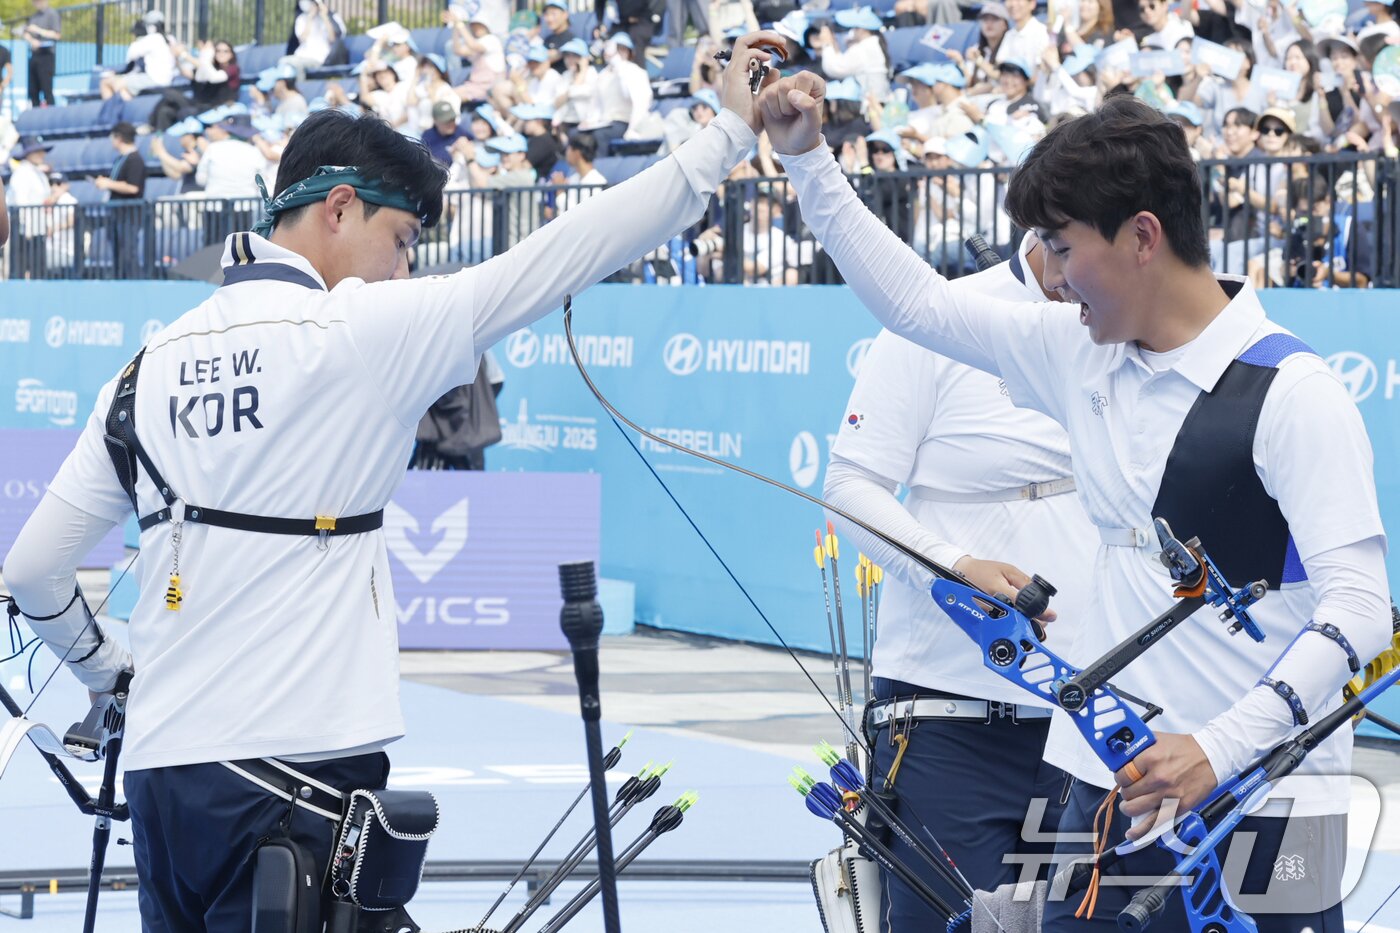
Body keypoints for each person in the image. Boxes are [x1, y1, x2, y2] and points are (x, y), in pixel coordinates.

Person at [0, 33, 782, 932]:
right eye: (402, 239)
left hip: (161, 783)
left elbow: (33, 571)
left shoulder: (144, 368)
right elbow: (568, 250)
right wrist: (726, 133)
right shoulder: (359, 329)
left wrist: (110, 676)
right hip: (297, 777)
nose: (406, 266)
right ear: (340, 207)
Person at [759, 78, 1391, 933]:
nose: (1051, 277)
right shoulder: (1080, 350)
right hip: (1102, 782)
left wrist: (1216, 749)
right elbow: (919, 305)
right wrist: (806, 160)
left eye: (1063, 247)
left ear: (1142, 237)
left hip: (1270, 797)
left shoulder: (1294, 392)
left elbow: (1360, 611)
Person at [827, 231, 1096, 930]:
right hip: (947, 722)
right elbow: (850, 486)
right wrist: (952, 568)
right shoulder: (940, 316)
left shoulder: (1135, 324)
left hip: (1091, 726)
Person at [580, 34, 653, 155]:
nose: (617, 53)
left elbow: (636, 100)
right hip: (604, 123)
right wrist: (590, 121)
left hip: (625, 122)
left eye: (622, 49)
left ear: (628, 52)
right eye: (616, 49)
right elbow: (596, 103)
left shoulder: (636, 72)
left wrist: (633, 129)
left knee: (599, 136)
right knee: (579, 135)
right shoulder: (603, 75)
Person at [94, 122, 148, 279]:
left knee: (128, 252)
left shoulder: (135, 159)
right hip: (117, 213)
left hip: (129, 214)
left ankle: (133, 282)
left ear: (119, 138)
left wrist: (108, 184)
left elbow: (133, 187)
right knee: (118, 252)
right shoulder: (121, 159)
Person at [6, 137, 56, 278]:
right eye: (37, 152)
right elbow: (21, 201)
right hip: (22, 231)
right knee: (20, 268)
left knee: (39, 269)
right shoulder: (21, 173)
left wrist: (47, 224)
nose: (42, 155)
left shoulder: (39, 174)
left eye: (41, 151)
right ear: (28, 154)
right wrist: (26, 227)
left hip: (38, 228)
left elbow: (44, 200)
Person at [100, 12, 176, 101]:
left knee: (107, 82)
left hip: (154, 80)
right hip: (167, 80)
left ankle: (116, 108)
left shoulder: (153, 39)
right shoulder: (171, 39)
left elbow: (131, 55)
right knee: (124, 89)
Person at [23, 0, 61, 108]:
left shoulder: (52, 14)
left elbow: (57, 35)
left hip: (46, 55)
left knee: (46, 89)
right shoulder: (34, 16)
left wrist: (38, 30)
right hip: (35, 54)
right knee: (33, 90)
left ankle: (51, 114)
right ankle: (35, 113)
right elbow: (26, 33)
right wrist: (32, 41)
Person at [422, 100, 472, 165]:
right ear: (435, 120)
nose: (450, 123)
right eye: (446, 121)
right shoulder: (427, 136)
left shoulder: (461, 133)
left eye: (452, 119)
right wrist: (451, 152)